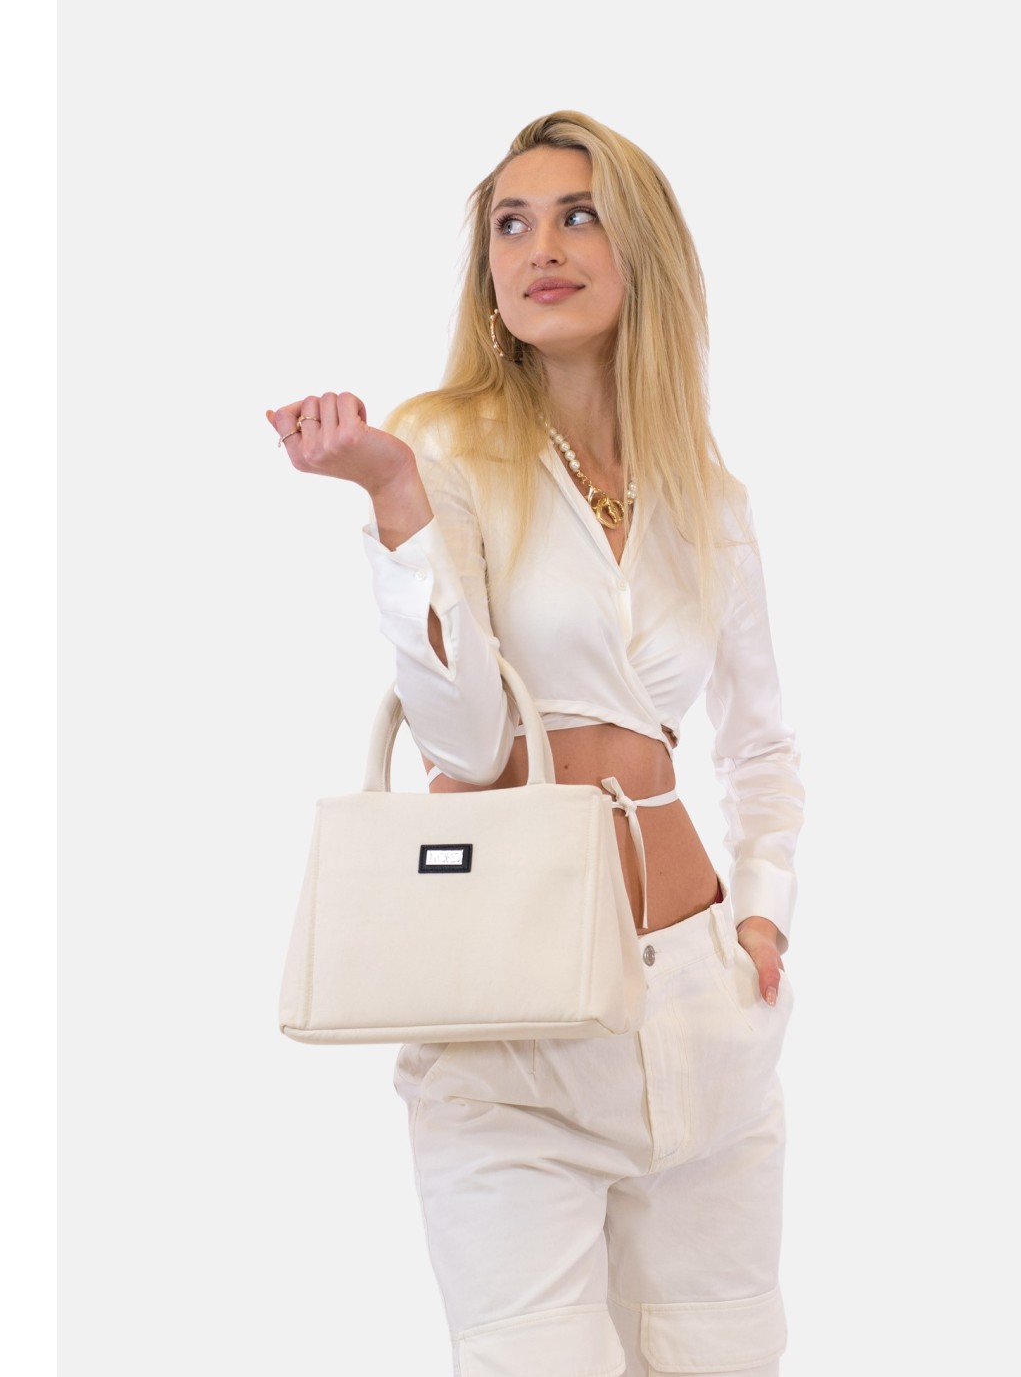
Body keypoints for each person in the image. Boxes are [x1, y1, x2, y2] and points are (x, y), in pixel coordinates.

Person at [266, 110, 804, 1377]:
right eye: (509, 225)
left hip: (699, 1014)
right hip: (507, 1036)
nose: (539, 248)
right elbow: (464, 739)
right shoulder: (442, 449)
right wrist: (394, 498)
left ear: (642, 253)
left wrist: (761, 919)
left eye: (577, 216)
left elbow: (761, 748)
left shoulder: (707, 496)